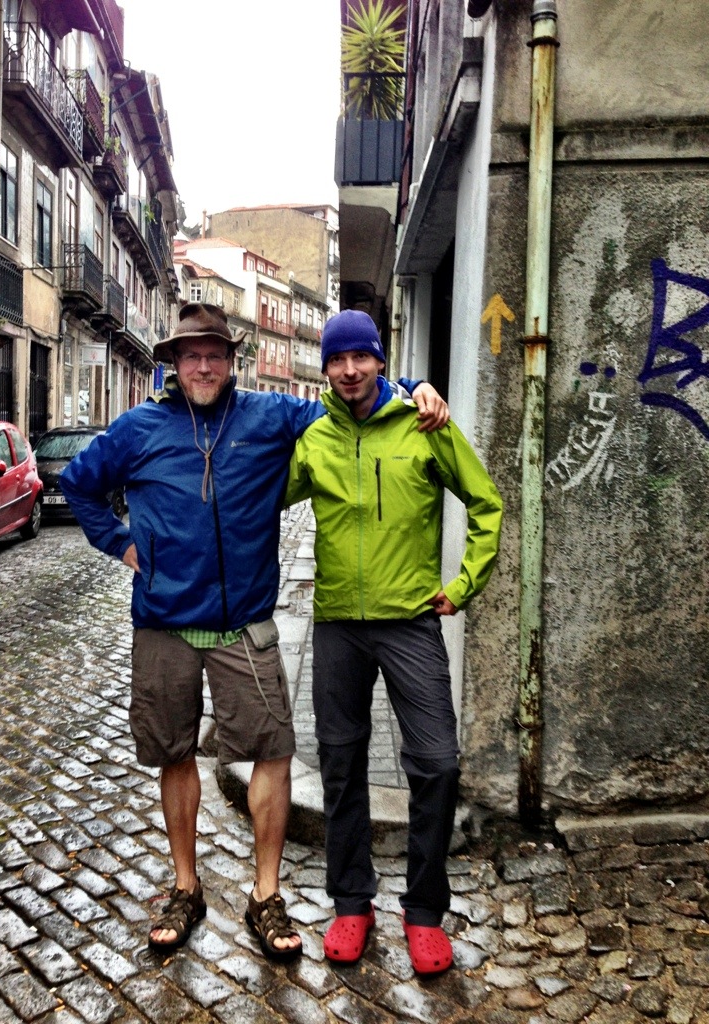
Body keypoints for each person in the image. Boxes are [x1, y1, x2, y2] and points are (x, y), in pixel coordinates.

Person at [59, 302, 449, 961]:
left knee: (272, 751)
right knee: (175, 754)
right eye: (191, 355)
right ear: (174, 364)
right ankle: (186, 888)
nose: (203, 366)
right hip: (163, 623)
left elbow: (351, 397)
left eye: (214, 355)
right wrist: (120, 544)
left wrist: (412, 387)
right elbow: (78, 484)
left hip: (246, 623)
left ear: (231, 361)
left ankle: (266, 895)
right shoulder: (137, 428)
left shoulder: (271, 416)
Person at [284, 309, 503, 975]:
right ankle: (352, 901)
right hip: (337, 626)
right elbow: (254, 501)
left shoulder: (424, 424)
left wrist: (462, 584)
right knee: (340, 764)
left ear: (381, 360)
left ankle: (425, 911)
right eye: (337, 359)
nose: (349, 370)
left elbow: (486, 502)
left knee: (437, 763)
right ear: (326, 368)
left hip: (411, 621)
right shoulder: (314, 437)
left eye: (361, 357)